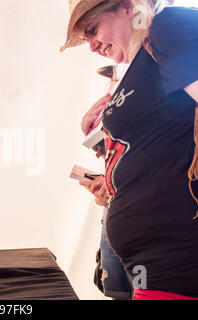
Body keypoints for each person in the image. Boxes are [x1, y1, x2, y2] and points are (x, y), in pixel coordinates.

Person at [61, 0, 198, 299]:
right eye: (86, 39)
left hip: (178, 262)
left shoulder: (168, 25)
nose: (93, 47)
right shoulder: (145, 55)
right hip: (154, 268)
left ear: (126, 6)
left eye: (93, 30)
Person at [80, 65, 133, 300]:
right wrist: (106, 192)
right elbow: (115, 161)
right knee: (119, 293)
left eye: (117, 77)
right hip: (115, 223)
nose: (112, 84)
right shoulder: (111, 112)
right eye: (112, 78)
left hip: (150, 233)